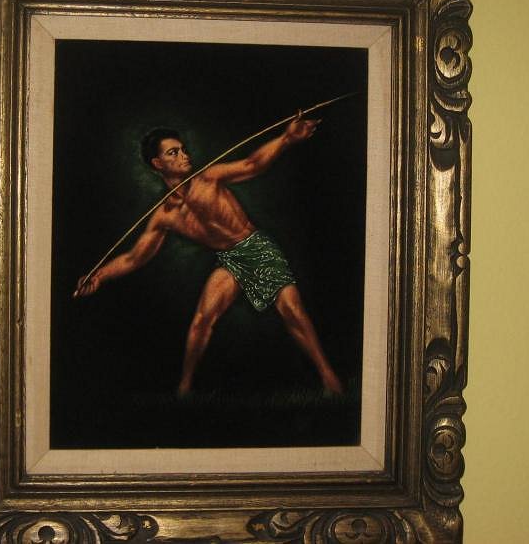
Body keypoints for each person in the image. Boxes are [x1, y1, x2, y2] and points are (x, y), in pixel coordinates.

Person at [74, 113, 343, 396]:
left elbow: (253, 164)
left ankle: (329, 378)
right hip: (229, 260)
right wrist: (100, 275)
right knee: (203, 319)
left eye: (182, 149)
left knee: (292, 311)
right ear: (157, 164)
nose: (184, 155)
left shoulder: (209, 178)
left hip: (255, 248)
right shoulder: (165, 216)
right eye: (173, 153)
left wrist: (287, 138)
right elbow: (134, 258)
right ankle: (184, 389)